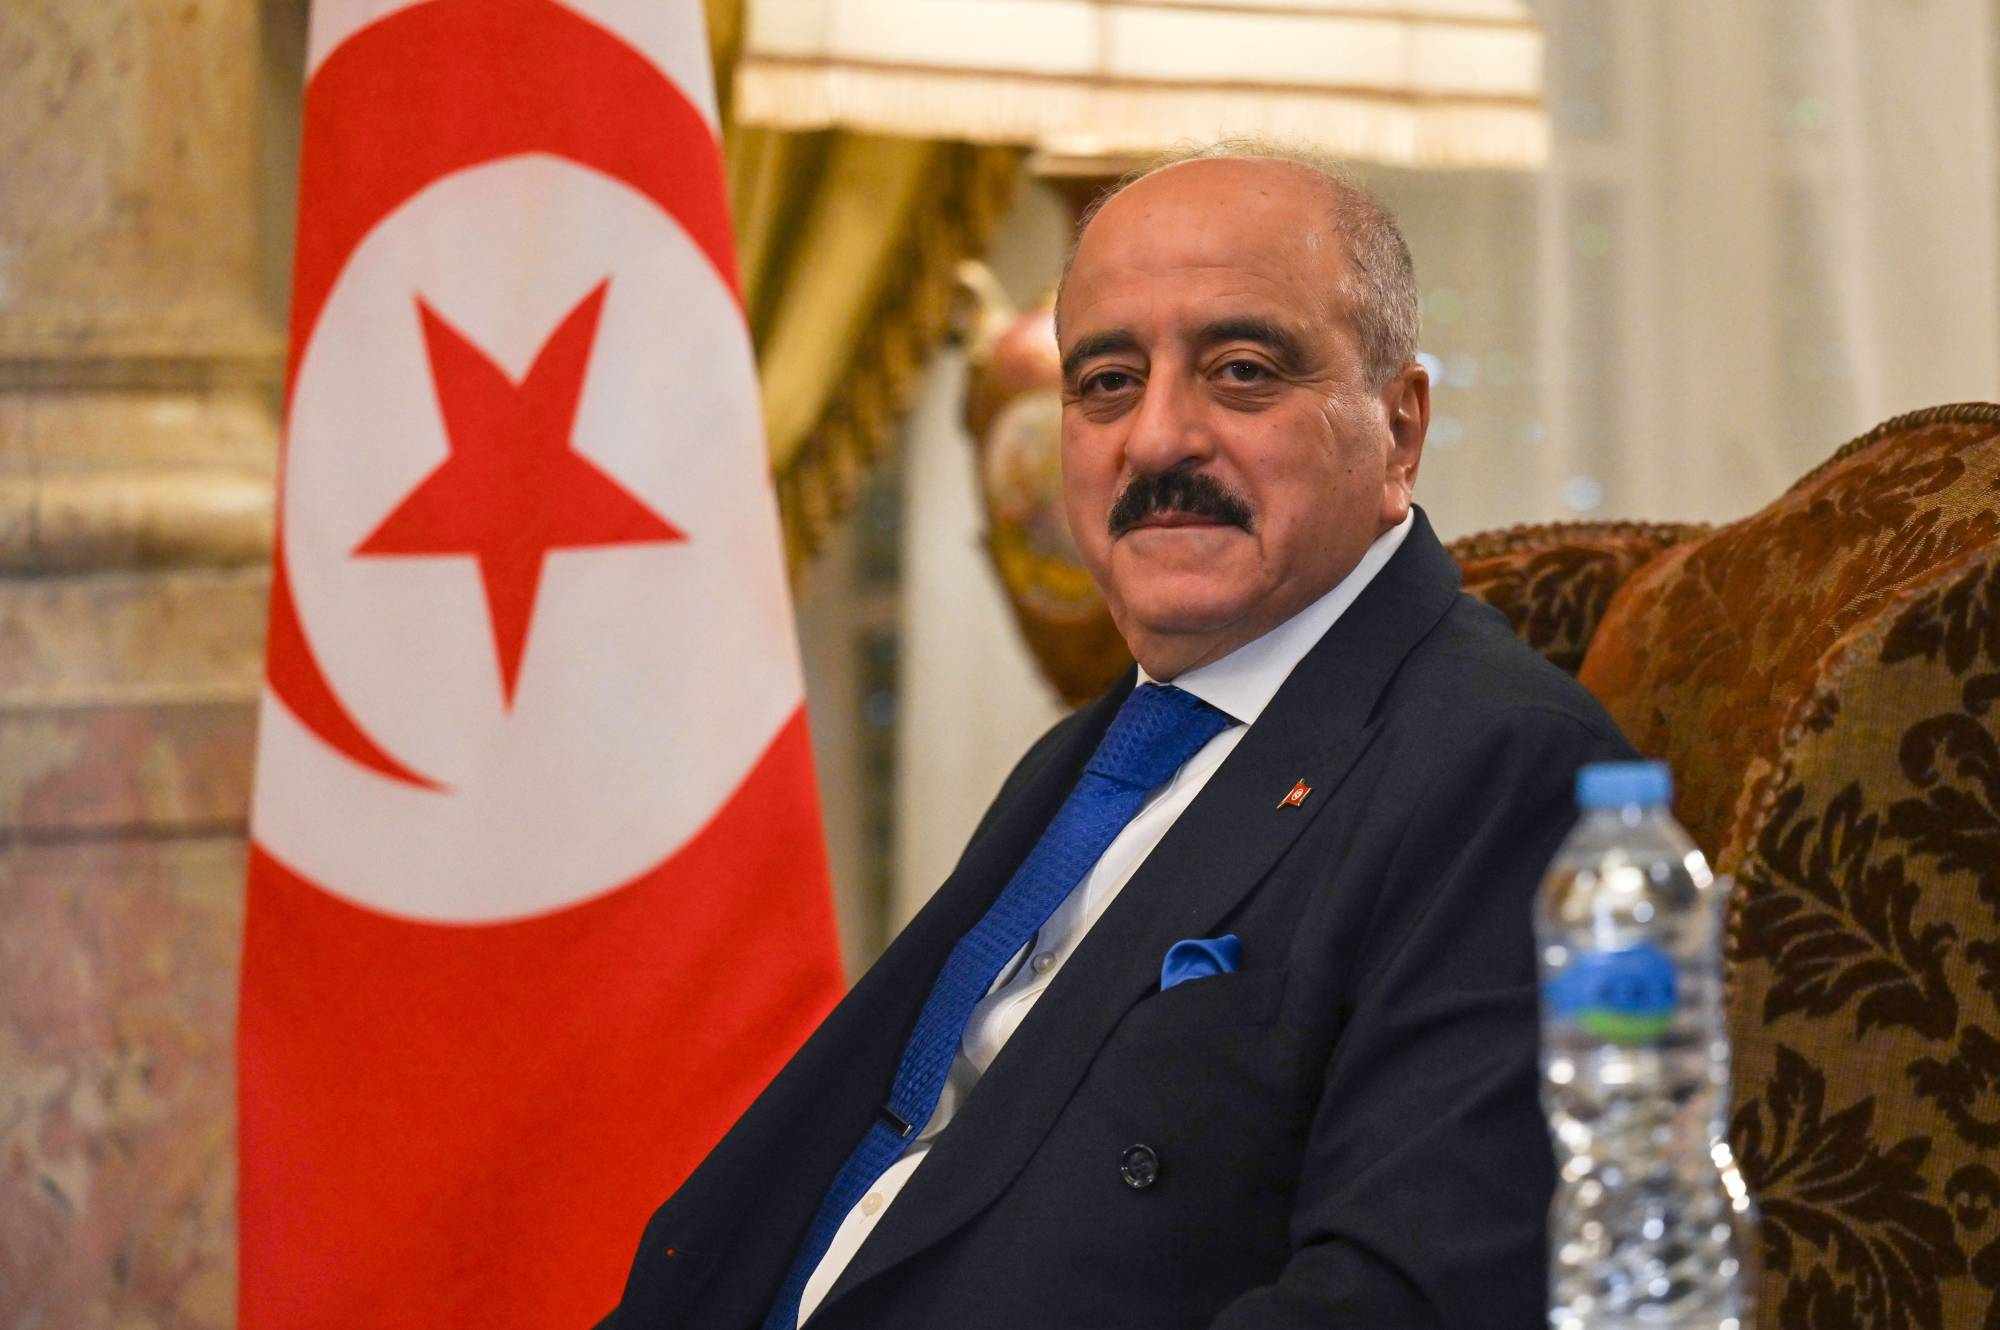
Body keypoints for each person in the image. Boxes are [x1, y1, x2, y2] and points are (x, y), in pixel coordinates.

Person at [604, 142, 1637, 1330]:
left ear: (1397, 431)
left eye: (1240, 372)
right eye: (1104, 382)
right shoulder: (1094, 759)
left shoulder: (1510, 770)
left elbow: (1405, 1300)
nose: (1152, 441)